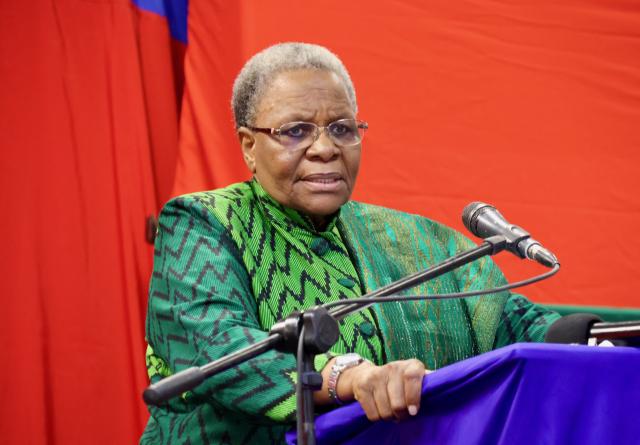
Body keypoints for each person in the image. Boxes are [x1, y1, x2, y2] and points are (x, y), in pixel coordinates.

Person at [141, 42, 559, 445]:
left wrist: (597, 339)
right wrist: (350, 377)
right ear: (249, 146)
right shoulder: (202, 223)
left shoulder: (409, 241)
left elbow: (519, 326)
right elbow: (222, 351)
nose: (325, 148)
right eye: (295, 131)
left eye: (342, 128)